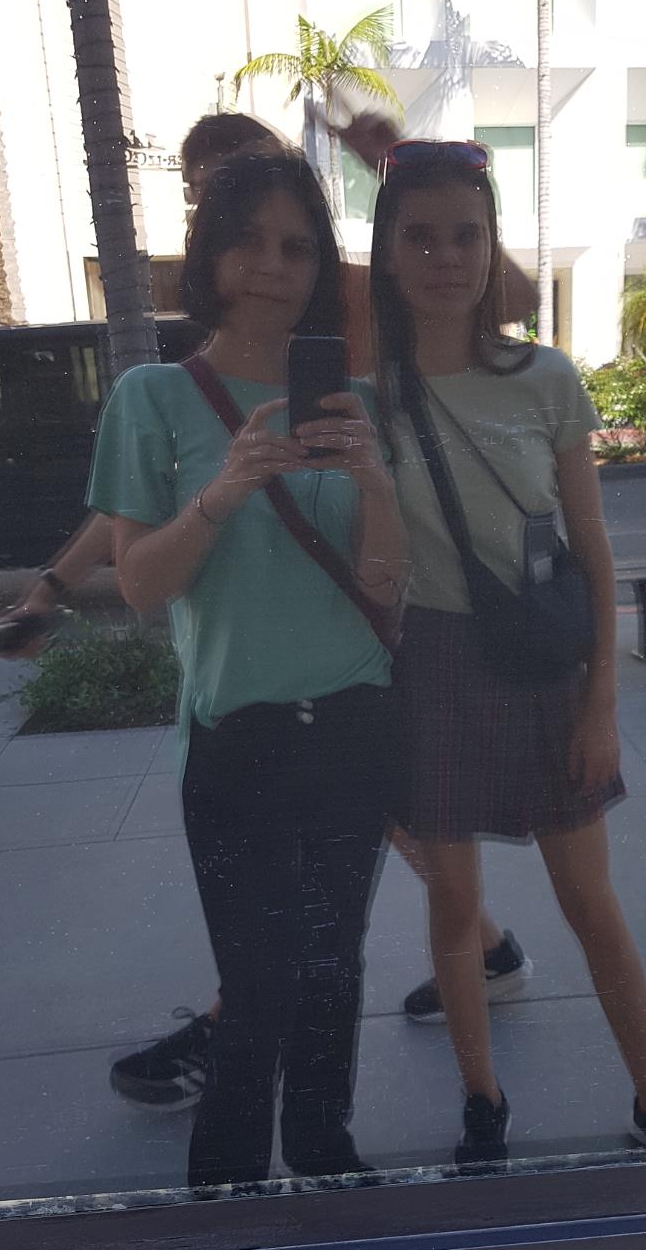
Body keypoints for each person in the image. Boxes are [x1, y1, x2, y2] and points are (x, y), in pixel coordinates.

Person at [0, 109, 535, 1114]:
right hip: (289, 646)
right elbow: (148, 498)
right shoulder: (200, 360)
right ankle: (470, 957)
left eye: (235, 182)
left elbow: (515, 297)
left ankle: (257, 1026)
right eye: (206, 196)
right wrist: (56, 584)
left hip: (387, 602)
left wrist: (394, 171)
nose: (253, 248)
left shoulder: (355, 287)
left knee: (343, 868)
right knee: (343, 863)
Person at [369, 139, 646, 1169]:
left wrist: (603, 704)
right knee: (453, 903)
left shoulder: (544, 378)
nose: (445, 257)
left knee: (589, 901)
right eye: (420, 236)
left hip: (544, 664)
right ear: (386, 251)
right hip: (429, 662)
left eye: (465, 235)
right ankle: (483, 1100)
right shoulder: (365, 394)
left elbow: (593, 549)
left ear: (492, 246)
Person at [86, 148, 409, 1186]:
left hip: (355, 725)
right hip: (240, 740)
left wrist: (378, 485)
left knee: (332, 969)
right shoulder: (153, 397)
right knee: (261, 985)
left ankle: (322, 1156)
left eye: (297, 248)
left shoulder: (353, 402)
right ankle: (224, 1191)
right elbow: (140, 586)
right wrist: (222, 493)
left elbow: (387, 586)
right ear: (211, 255)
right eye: (250, 242)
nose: (273, 266)